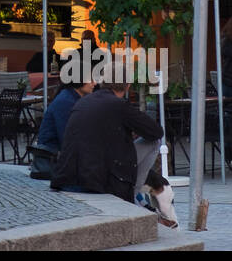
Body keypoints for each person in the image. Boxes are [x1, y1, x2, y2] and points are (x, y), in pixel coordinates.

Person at [51, 81, 176, 226]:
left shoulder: (82, 101)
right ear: (128, 86)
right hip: (97, 178)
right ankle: (134, 193)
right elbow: (156, 132)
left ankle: (137, 196)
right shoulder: (119, 105)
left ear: (103, 83)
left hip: (67, 175)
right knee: (156, 142)